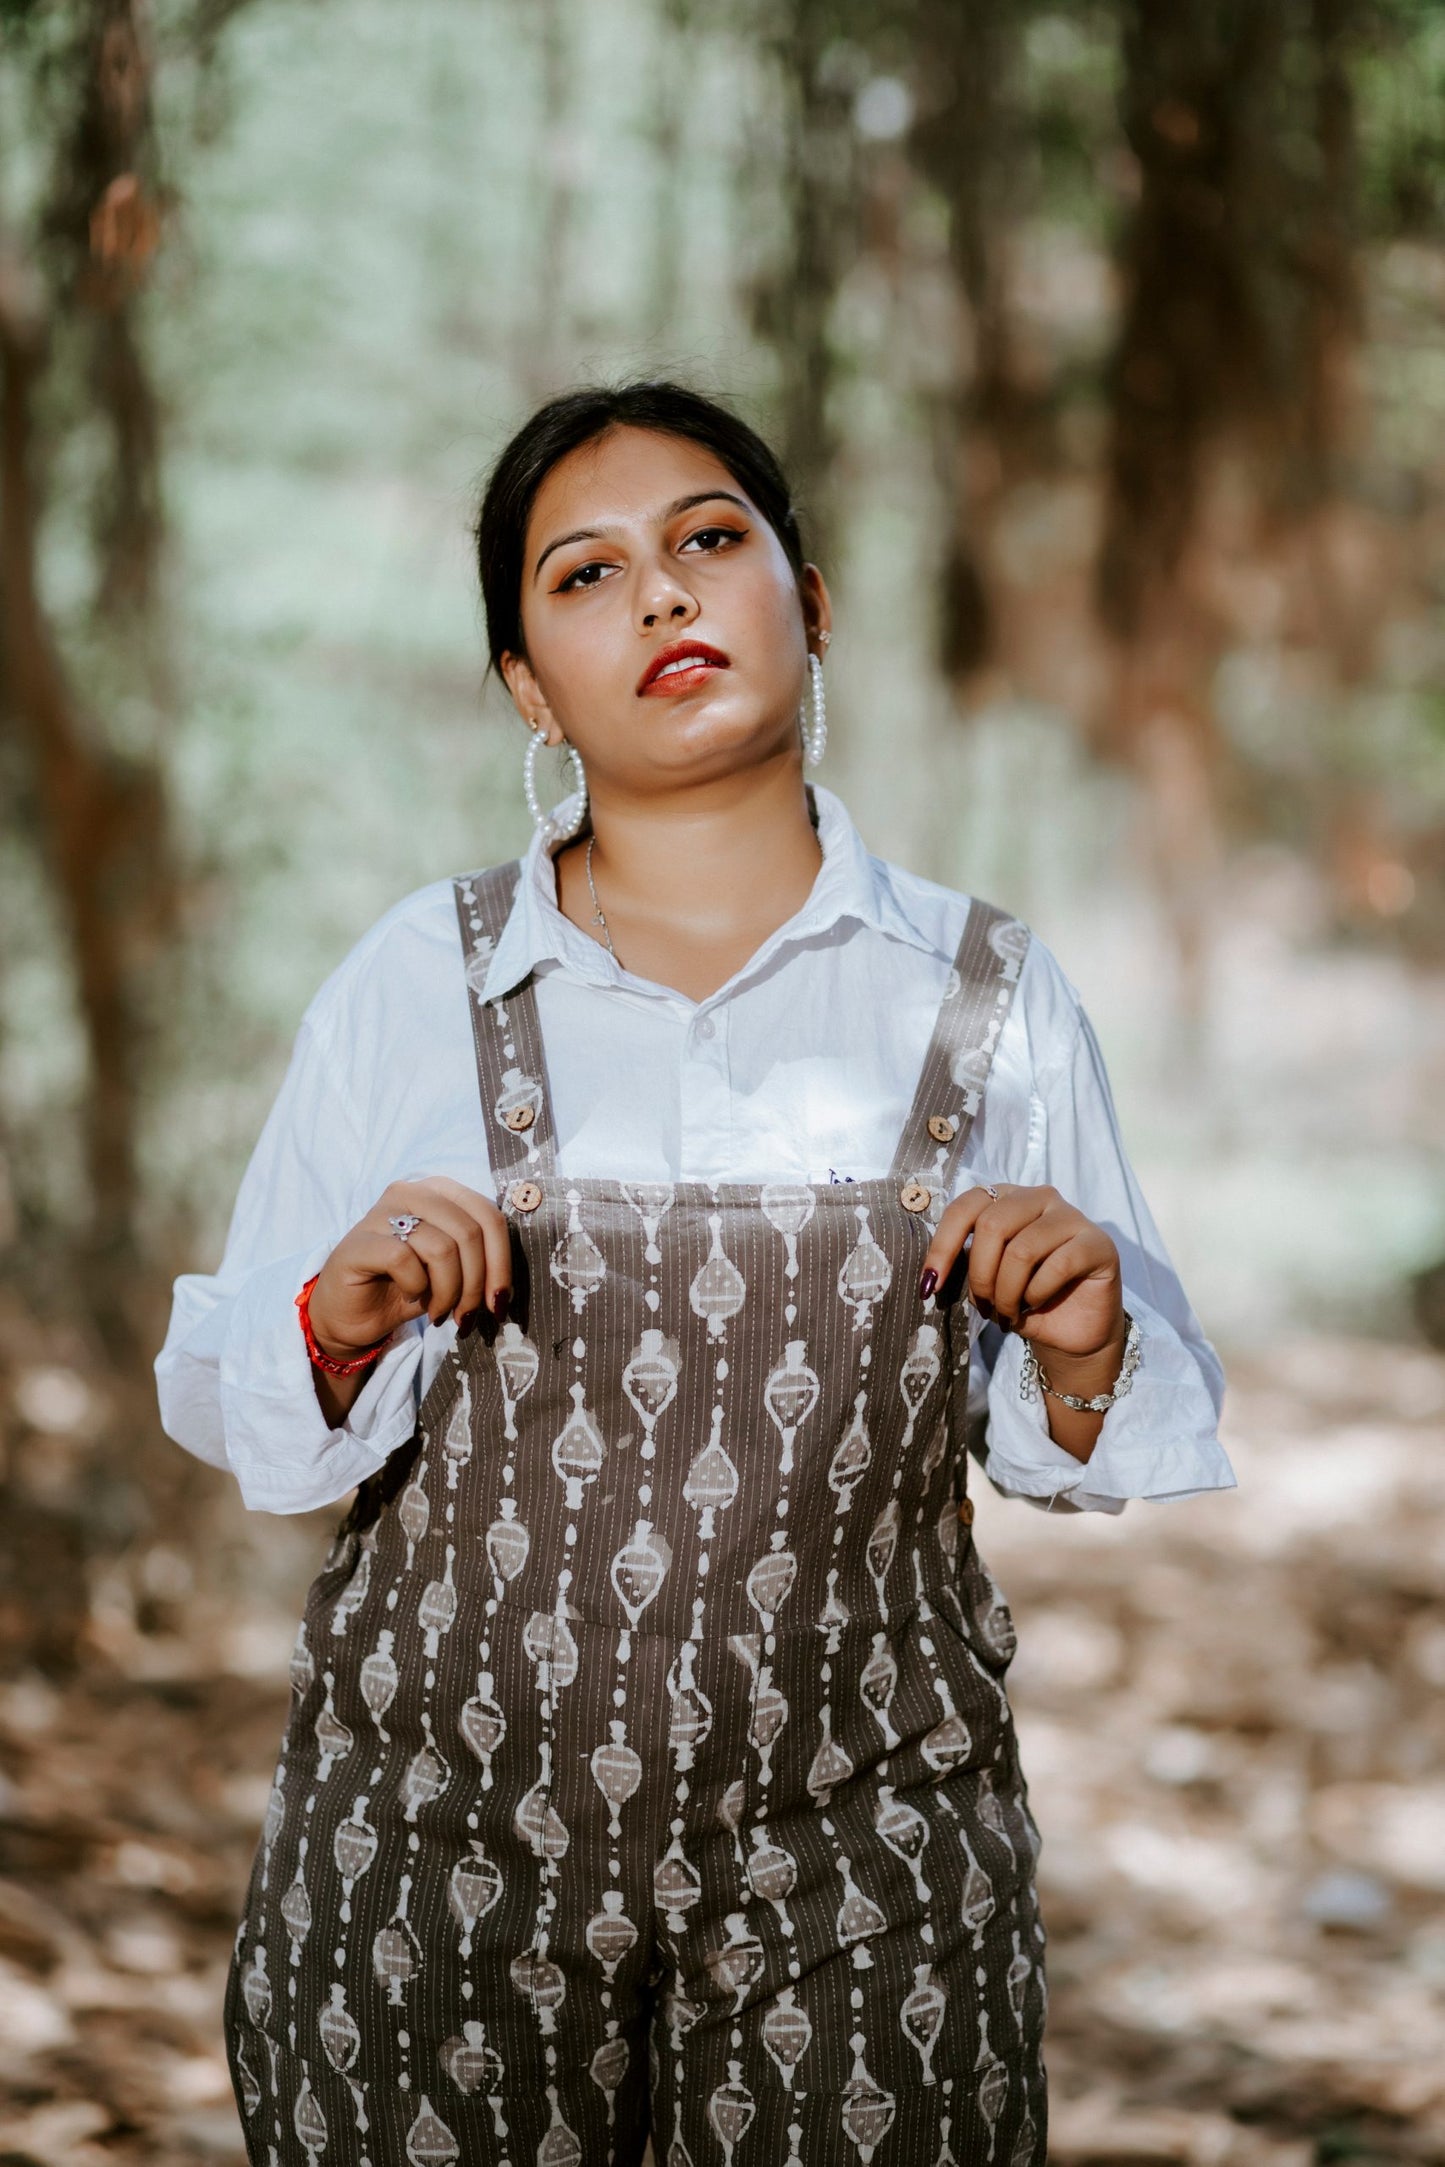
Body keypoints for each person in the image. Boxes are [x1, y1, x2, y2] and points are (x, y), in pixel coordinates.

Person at [157, 380, 1234, 2167]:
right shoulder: (417, 984)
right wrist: (330, 1320)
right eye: (583, 577)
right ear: (525, 681)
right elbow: (258, 1428)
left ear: (807, 607)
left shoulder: (978, 992)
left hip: (870, 1867)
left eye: (709, 543)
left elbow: (1083, 1449)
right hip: (430, 1864)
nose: (661, 598)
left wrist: (1082, 1330)